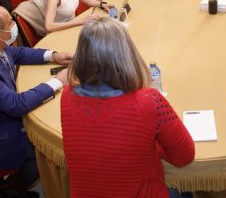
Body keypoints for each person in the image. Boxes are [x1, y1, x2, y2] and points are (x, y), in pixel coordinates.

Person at [61, 18, 195, 197]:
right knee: (187, 192)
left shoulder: (67, 96)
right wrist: (149, 147)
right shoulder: (149, 101)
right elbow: (184, 156)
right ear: (126, 55)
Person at [0, 5, 73, 193]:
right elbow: (16, 105)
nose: (15, 24)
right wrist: (58, 81)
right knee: (46, 151)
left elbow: (16, 54)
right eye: (11, 22)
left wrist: (53, 55)